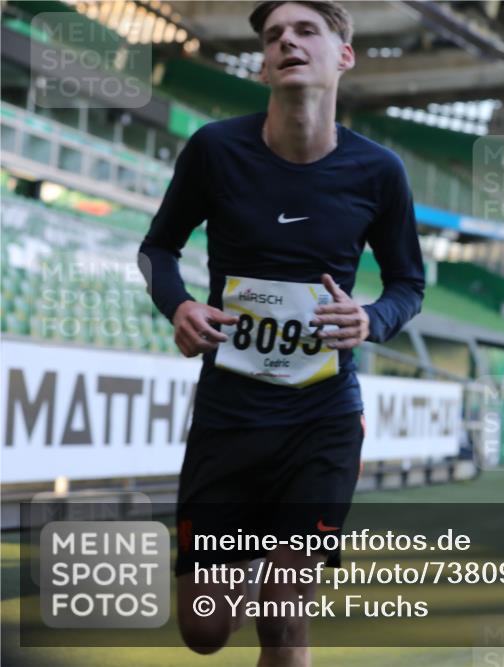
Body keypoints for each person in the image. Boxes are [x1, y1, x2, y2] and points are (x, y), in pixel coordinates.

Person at [137, 2, 425, 663]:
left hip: (321, 420)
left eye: (306, 30)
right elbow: (157, 250)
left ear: (343, 56)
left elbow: (409, 283)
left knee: (282, 618)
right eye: (274, 37)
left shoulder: (379, 171)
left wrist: (371, 317)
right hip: (229, 419)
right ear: (265, 67)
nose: (287, 42)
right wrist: (178, 305)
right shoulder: (216, 149)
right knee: (206, 629)